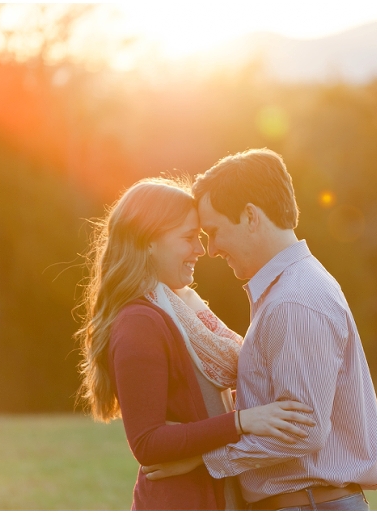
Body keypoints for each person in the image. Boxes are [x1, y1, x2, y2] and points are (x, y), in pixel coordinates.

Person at [142, 149, 377, 510]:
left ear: (251, 217)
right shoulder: (288, 291)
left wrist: (205, 459)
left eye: (213, 231)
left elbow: (302, 431)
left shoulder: (294, 300)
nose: (211, 249)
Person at [75, 177, 315, 510]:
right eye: (189, 239)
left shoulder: (182, 309)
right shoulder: (139, 322)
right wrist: (243, 420)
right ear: (148, 241)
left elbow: (199, 407)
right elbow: (148, 443)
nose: (201, 250)